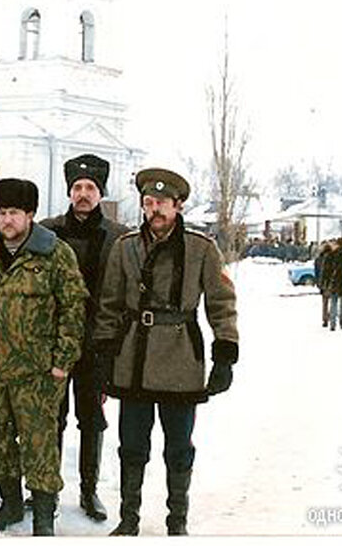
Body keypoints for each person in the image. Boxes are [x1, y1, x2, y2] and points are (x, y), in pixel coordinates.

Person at [93, 167, 238, 536]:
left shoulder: (201, 248)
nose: (154, 209)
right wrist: (104, 353)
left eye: (161, 203)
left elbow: (221, 303)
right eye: (148, 202)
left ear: (178, 205)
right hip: (134, 359)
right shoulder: (126, 247)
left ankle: (177, 522)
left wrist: (225, 353)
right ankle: (129, 519)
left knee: (178, 447)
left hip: (180, 359)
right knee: (132, 446)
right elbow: (109, 303)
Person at [0, 178, 88, 536]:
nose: (7, 220)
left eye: (14, 212)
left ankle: (44, 514)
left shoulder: (54, 253)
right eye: (1, 212)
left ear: (30, 215)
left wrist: (62, 361)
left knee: (39, 445)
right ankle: (10, 503)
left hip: (37, 372)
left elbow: (73, 309)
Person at [39, 153, 129, 522]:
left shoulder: (119, 237)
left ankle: (89, 491)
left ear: (100, 192)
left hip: (96, 344)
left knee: (91, 419)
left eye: (90, 187)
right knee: (50, 419)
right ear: (69, 192)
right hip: (53, 342)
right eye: (77, 187)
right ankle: (48, 489)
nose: (83, 194)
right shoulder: (47, 231)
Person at [314, 240, 333, 328]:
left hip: (322, 282)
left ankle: (325, 318)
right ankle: (331, 316)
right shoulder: (333, 258)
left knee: (325, 302)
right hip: (331, 282)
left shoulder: (318, 259)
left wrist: (318, 282)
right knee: (333, 300)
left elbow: (316, 272)